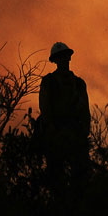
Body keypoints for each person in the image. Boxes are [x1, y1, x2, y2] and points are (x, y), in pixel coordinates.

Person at [39, 42, 91, 190]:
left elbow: (85, 111)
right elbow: (45, 108)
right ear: (54, 60)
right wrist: (52, 130)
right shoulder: (48, 82)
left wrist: (84, 132)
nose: (63, 59)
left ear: (69, 57)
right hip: (56, 135)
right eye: (60, 57)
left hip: (76, 134)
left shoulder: (79, 84)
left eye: (65, 56)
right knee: (56, 179)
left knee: (81, 179)